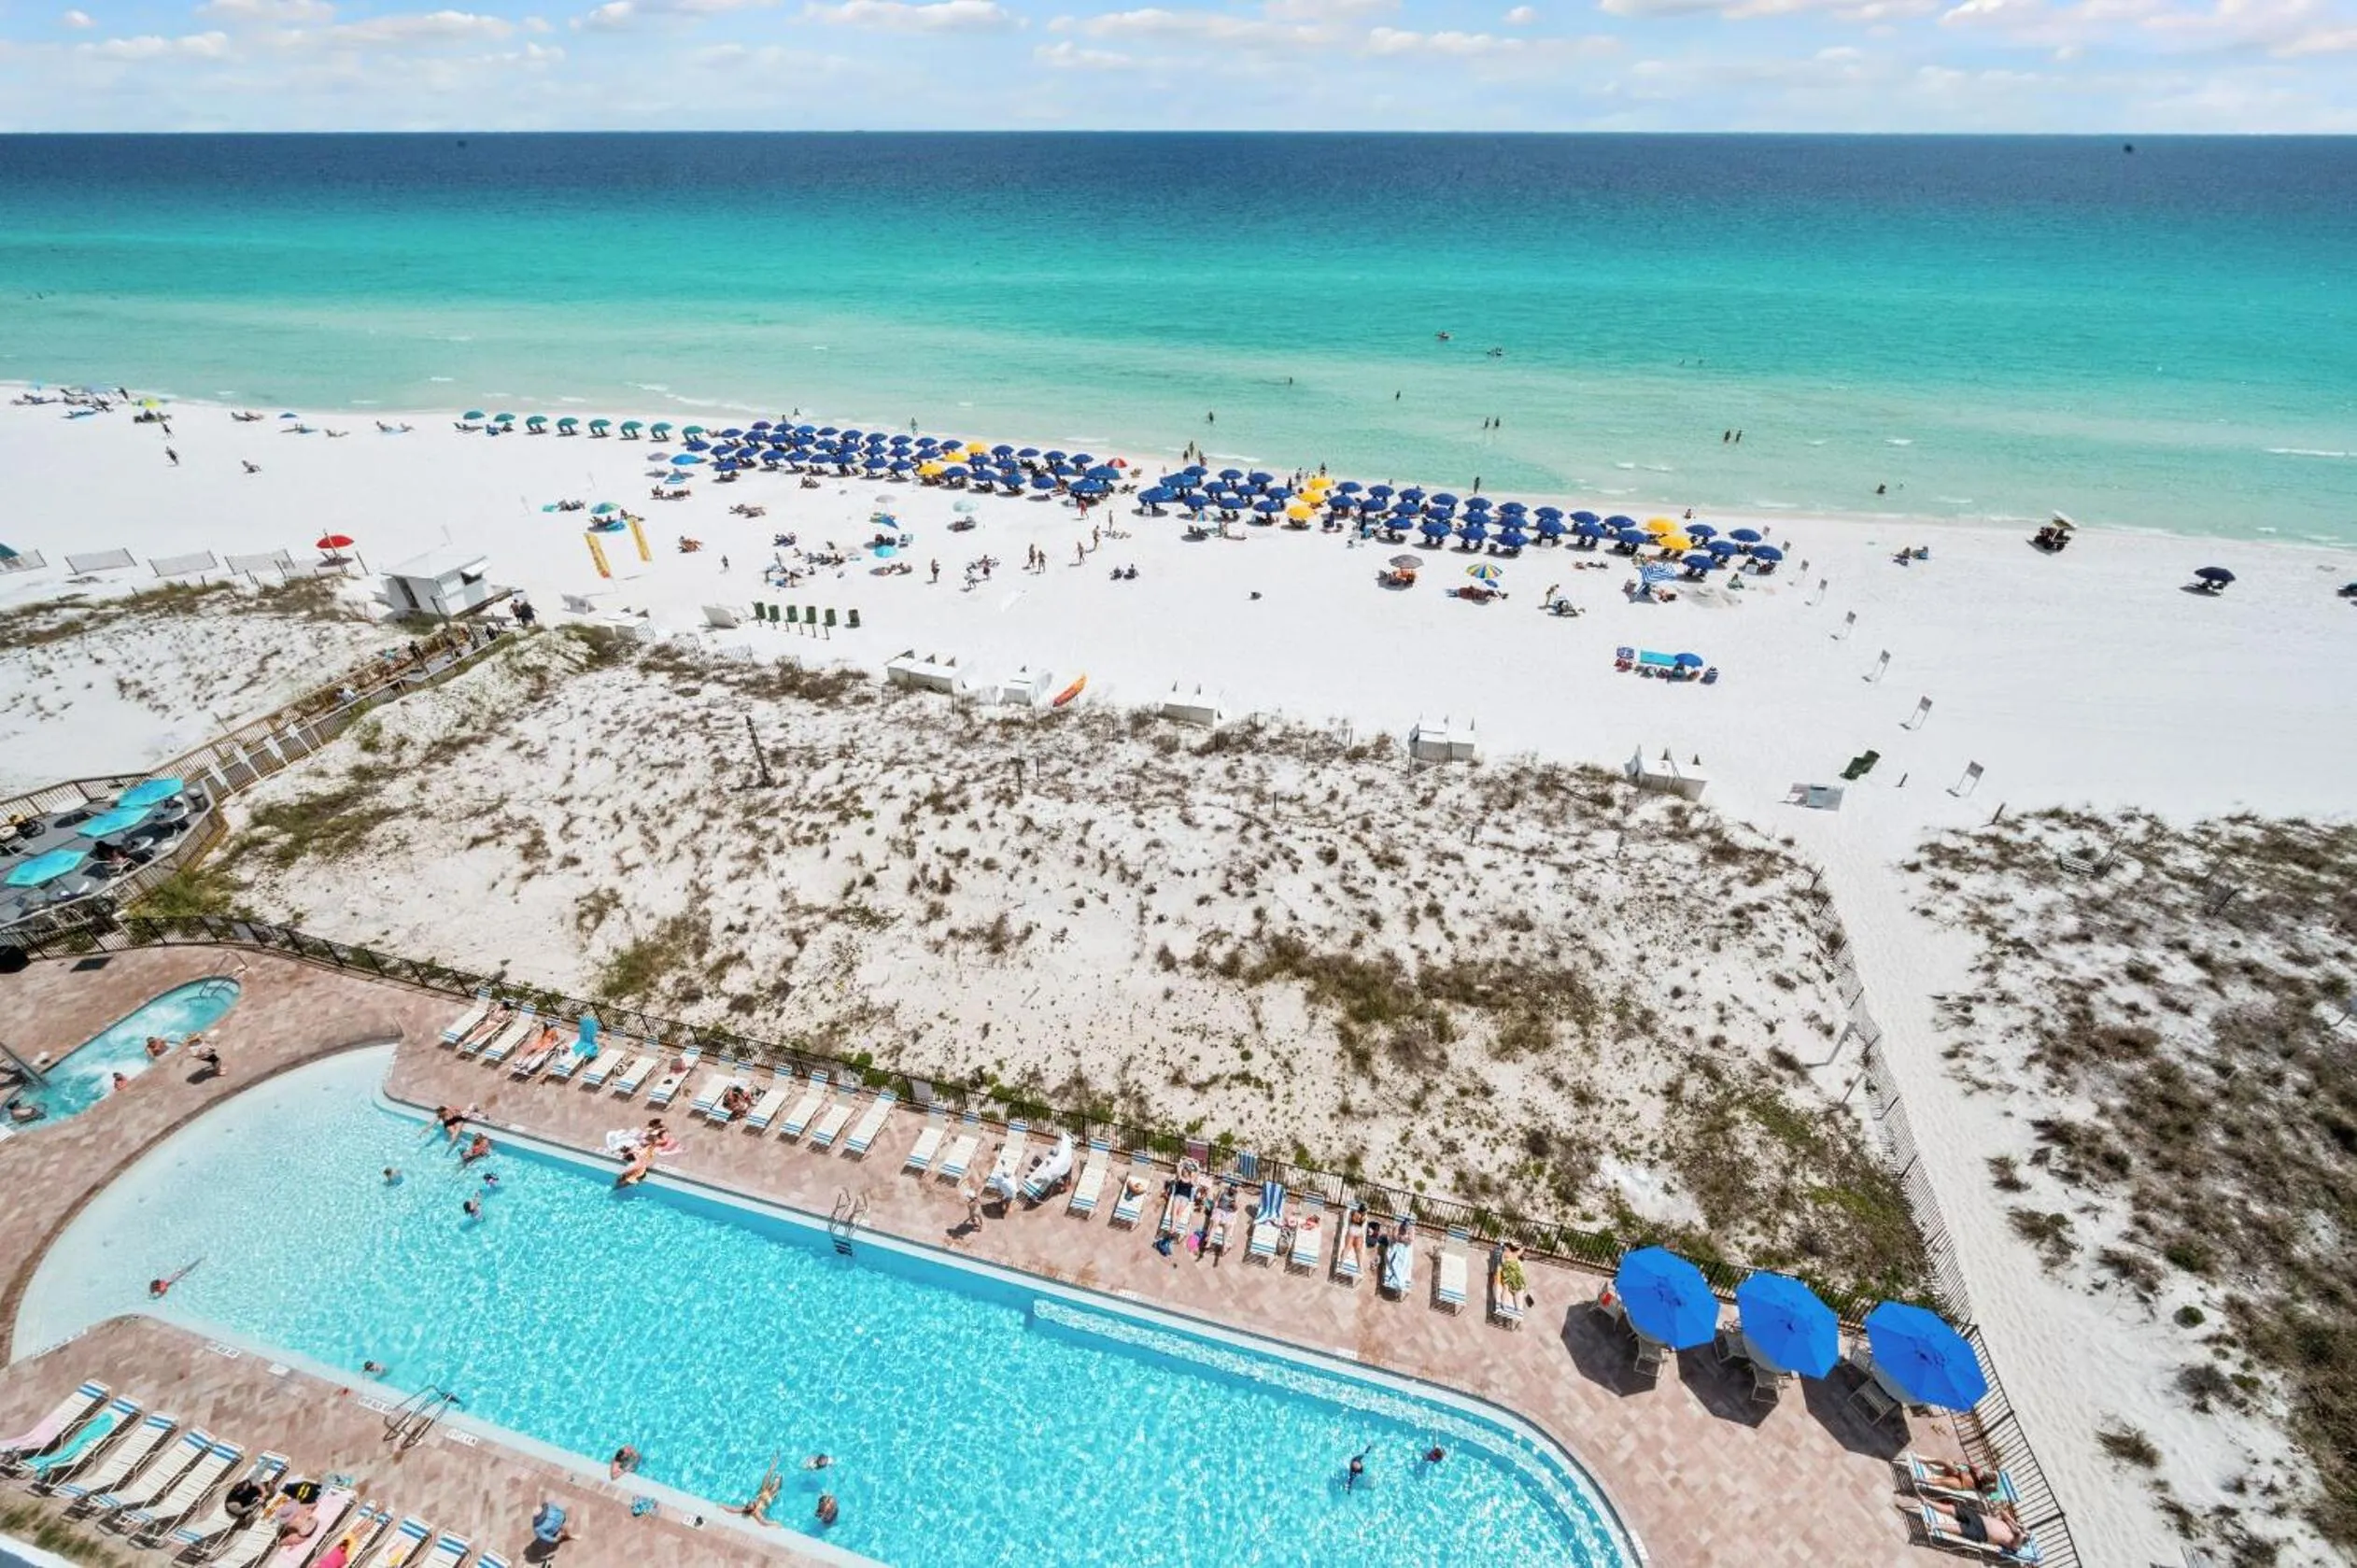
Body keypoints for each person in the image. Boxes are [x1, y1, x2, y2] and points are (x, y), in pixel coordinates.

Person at [1914, 1498, 2025, 1552]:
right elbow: (2002, 1512)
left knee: (1959, 1529)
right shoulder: (2011, 1527)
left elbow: (2016, 1547)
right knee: (1952, 1509)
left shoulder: (2013, 1543)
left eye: (2023, 1536)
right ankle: (1928, 1502)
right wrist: (2015, 1523)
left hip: (1981, 1533)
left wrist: (2021, 1535)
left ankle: (1935, 1526)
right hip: (1978, 1518)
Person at [729, 1460, 783, 1526]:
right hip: (768, 1497)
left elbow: (733, 1509)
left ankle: (773, 1465)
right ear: (752, 1509)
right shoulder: (757, 1512)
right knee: (776, 1482)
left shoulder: (746, 1507)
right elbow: (764, 1521)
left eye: (749, 1503)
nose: (750, 1502)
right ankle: (778, 1476)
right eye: (750, 1504)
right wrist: (775, 1523)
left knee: (768, 1476)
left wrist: (722, 1506)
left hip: (762, 1493)